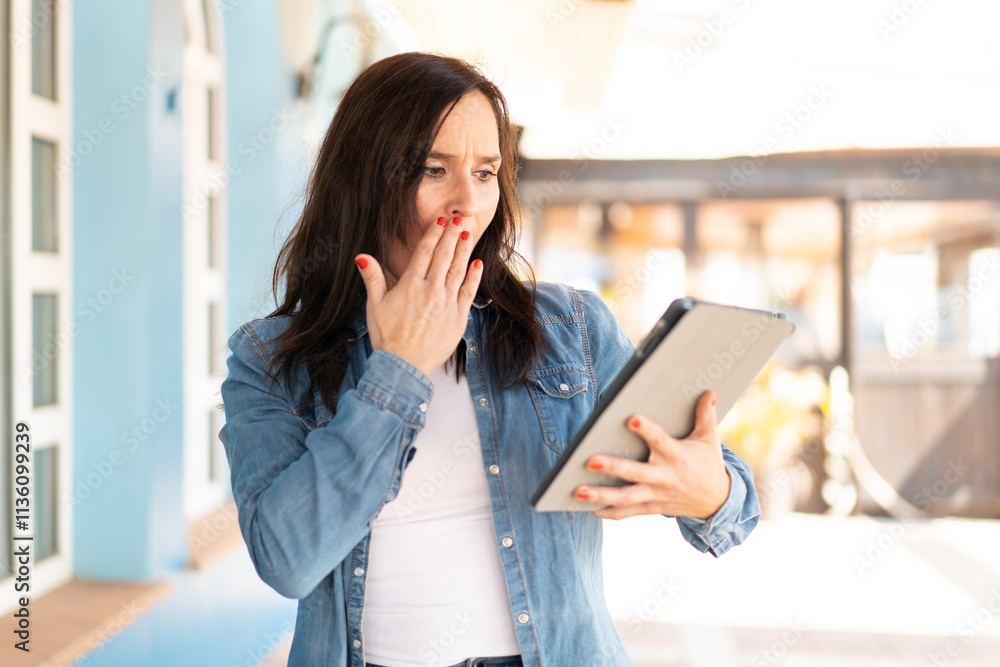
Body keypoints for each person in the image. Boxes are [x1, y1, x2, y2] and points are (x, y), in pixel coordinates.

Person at [219, 52, 760, 667]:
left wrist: (708, 492)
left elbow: (735, 509)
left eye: (485, 173)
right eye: (433, 169)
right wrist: (399, 370)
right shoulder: (268, 358)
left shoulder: (571, 327)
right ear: (362, 181)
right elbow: (286, 559)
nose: (467, 203)